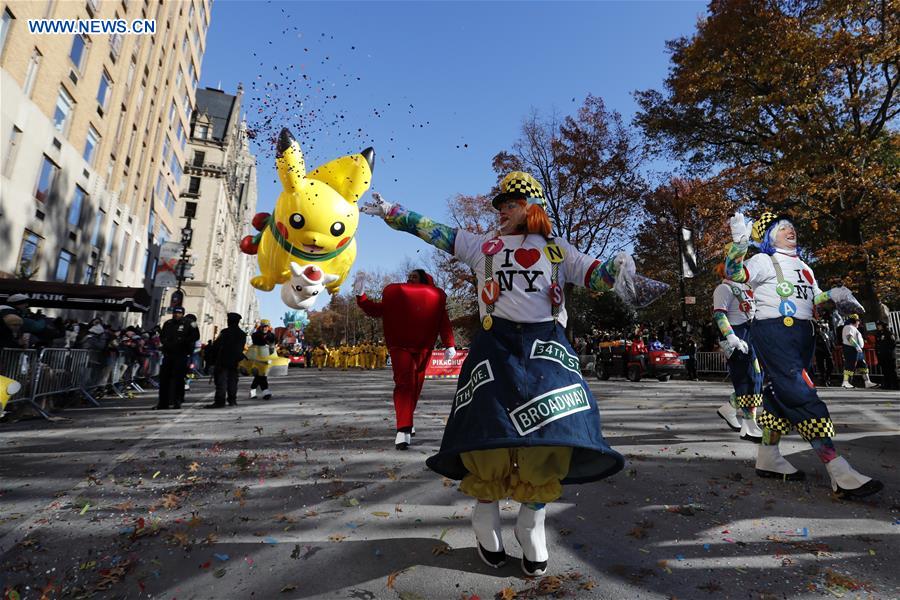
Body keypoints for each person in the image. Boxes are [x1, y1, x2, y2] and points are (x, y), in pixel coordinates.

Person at [361, 171, 667, 576]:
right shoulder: (482, 246)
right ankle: (485, 517)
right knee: (486, 435)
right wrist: (392, 212)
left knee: (552, 433)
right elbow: (436, 232)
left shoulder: (558, 249)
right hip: (494, 350)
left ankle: (532, 521)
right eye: (500, 205)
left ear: (530, 208)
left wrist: (619, 265)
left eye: (510, 204)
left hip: (547, 351)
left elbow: (597, 276)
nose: (502, 211)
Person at [726, 209, 883, 500]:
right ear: (770, 236)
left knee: (777, 395)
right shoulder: (762, 260)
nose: (790, 230)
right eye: (783, 227)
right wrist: (738, 244)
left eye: (791, 226)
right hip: (774, 332)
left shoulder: (804, 266)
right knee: (801, 393)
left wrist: (835, 296)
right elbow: (735, 274)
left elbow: (815, 297)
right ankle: (838, 469)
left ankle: (768, 456)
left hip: (803, 336)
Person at [355, 268, 457, 450]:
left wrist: (450, 344)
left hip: (423, 346)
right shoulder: (397, 300)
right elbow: (375, 310)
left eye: (414, 277)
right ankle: (403, 429)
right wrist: (361, 295)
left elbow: (443, 321)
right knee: (404, 384)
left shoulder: (435, 300)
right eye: (408, 277)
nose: (410, 280)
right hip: (400, 345)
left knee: (416, 385)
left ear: (424, 281)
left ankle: (407, 417)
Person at [711, 261, 763, 442]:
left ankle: (730, 408)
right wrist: (731, 336)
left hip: (750, 333)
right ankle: (750, 426)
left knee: (756, 377)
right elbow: (719, 314)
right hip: (736, 336)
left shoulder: (747, 287)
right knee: (747, 378)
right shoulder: (723, 289)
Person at [156, 307, 199, 410]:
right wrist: (166, 344)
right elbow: (162, 336)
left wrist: (184, 342)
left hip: (181, 354)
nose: (176, 315)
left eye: (179, 313)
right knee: (164, 379)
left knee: (178, 379)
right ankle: (163, 403)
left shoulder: (190, 323)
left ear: (183, 314)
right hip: (168, 354)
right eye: (175, 313)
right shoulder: (168, 323)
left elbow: (195, 336)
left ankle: (177, 401)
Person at [204, 313, 247, 409]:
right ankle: (232, 400)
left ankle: (220, 401)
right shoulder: (242, 334)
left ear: (230, 321)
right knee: (232, 381)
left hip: (223, 360)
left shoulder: (225, 332)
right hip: (234, 361)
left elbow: (217, 345)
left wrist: (212, 356)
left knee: (221, 381)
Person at [840, 315, 878, 389]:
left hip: (856, 349)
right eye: (858, 321)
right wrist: (857, 346)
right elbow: (849, 337)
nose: (859, 323)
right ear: (854, 321)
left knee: (863, 365)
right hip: (851, 349)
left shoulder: (853, 328)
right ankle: (846, 382)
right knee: (850, 366)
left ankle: (867, 382)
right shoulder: (848, 327)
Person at [248, 320, 276, 399]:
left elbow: (273, 343)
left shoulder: (271, 335)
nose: (265, 328)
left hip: (267, 357)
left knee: (260, 375)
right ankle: (265, 391)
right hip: (257, 357)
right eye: (263, 327)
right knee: (262, 375)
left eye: (266, 327)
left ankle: (253, 391)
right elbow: (253, 338)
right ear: (260, 327)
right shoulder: (256, 334)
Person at [874, 321, 898, 390]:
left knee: (892, 371)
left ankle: (895, 385)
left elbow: (893, 343)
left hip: (889, 356)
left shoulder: (889, 333)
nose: (878, 326)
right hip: (882, 356)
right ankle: (887, 385)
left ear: (883, 326)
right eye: (877, 325)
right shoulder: (878, 334)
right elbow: (877, 344)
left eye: (879, 325)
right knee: (885, 371)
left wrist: (888, 351)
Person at [813, 320, 835, 386]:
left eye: (820, 327)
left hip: (828, 352)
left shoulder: (826, 334)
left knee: (831, 366)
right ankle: (824, 380)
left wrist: (832, 348)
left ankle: (826, 378)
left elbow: (830, 342)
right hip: (820, 353)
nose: (819, 328)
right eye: (818, 327)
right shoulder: (814, 336)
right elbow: (815, 345)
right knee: (821, 368)